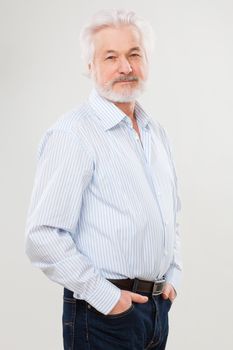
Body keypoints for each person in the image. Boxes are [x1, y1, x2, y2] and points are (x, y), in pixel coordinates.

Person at [25, 9, 182, 350]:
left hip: (156, 311)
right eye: (111, 57)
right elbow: (42, 236)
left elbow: (169, 216)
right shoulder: (73, 134)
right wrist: (108, 299)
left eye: (134, 54)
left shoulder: (156, 133)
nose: (125, 67)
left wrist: (171, 276)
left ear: (147, 60)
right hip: (103, 315)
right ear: (90, 66)